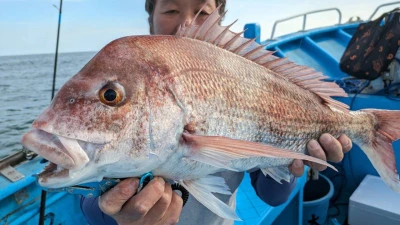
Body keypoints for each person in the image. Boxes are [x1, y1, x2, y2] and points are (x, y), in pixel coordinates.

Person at [80, 0, 352, 224]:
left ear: (219, 22)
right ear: (151, 18)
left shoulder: (241, 78)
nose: (186, 23)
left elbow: (273, 195)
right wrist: (112, 214)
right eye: (171, 10)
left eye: (203, 13)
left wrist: (293, 163)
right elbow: (84, 191)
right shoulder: (126, 81)